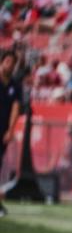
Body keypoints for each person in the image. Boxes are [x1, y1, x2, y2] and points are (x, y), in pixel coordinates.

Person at [0, 50, 22, 217]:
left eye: (13, 63)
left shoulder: (15, 85)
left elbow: (16, 107)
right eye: (7, 61)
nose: (10, 65)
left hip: (3, 131)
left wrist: (11, 129)